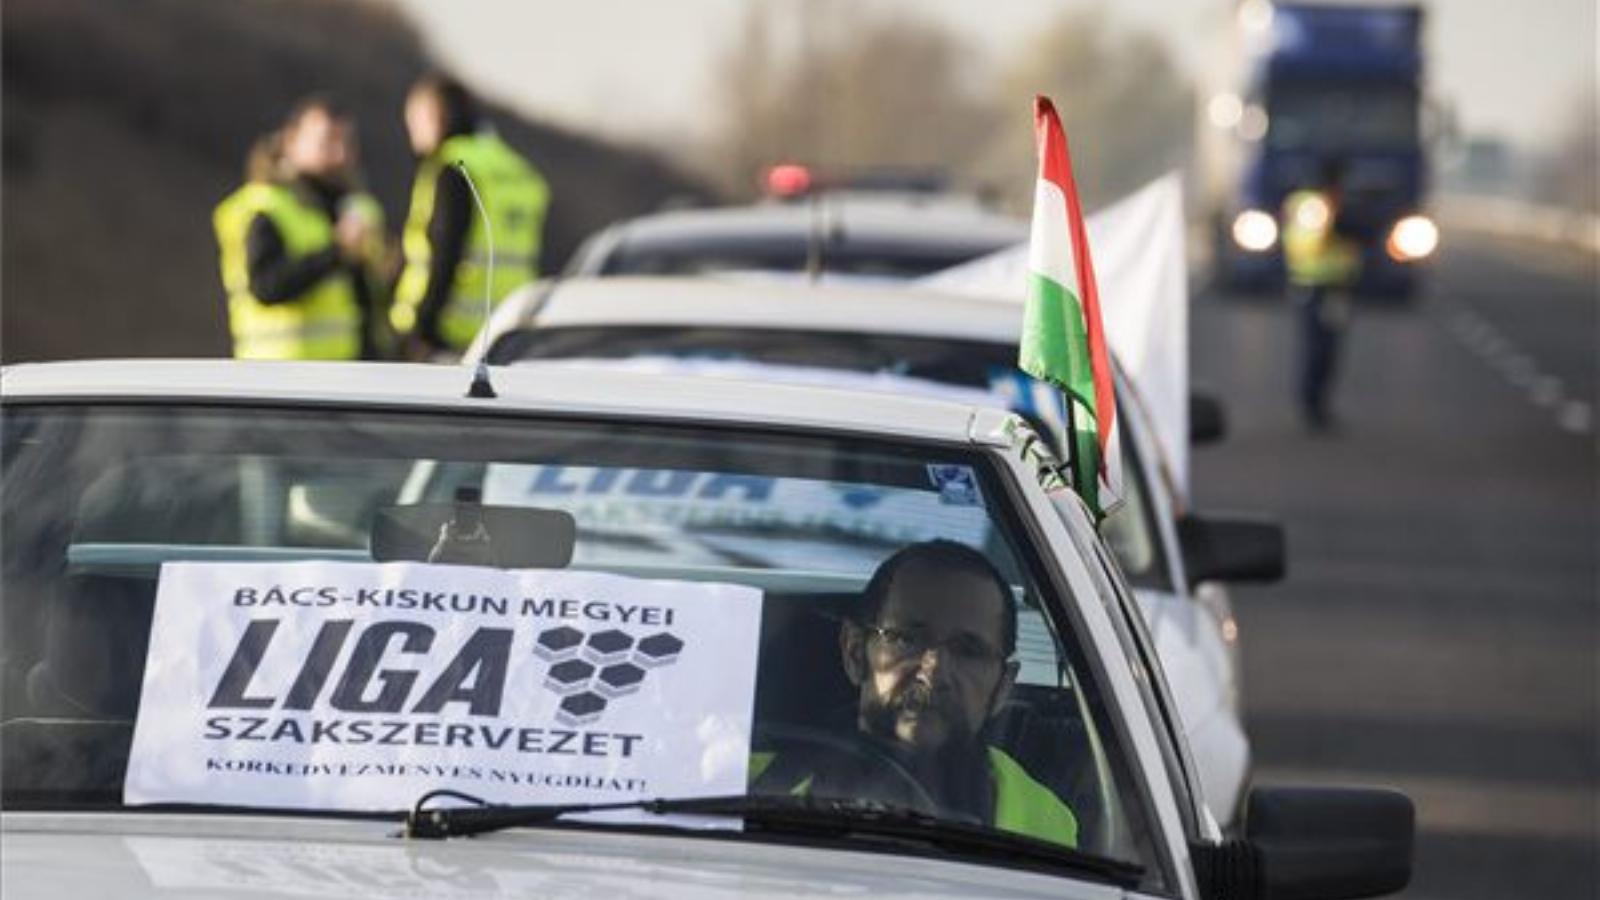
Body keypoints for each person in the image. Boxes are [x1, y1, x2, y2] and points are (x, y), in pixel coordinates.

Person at [752, 540, 1079, 848]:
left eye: (968, 650)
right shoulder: (742, 780)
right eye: (906, 639)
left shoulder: (1046, 822)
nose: (933, 671)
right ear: (854, 652)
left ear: (1003, 685)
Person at [212, 96, 384, 360]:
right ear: (291, 141)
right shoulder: (266, 207)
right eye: (327, 141)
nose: (340, 153)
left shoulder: (346, 206)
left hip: (344, 376)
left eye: (347, 142)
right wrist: (337, 251)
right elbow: (266, 286)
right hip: (280, 380)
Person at [393, 73, 551, 359]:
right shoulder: (517, 168)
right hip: (511, 327)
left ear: (433, 116)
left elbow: (445, 250)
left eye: (414, 119)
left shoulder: (453, 166)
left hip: (452, 332)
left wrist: (422, 327)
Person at [1281, 158, 1364, 430]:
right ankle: (1311, 406)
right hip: (1314, 285)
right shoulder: (1313, 207)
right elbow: (1310, 244)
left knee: (1329, 350)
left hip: (1337, 288)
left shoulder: (1330, 206)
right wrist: (1335, 217)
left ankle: (1319, 405)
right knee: (1317, 349)